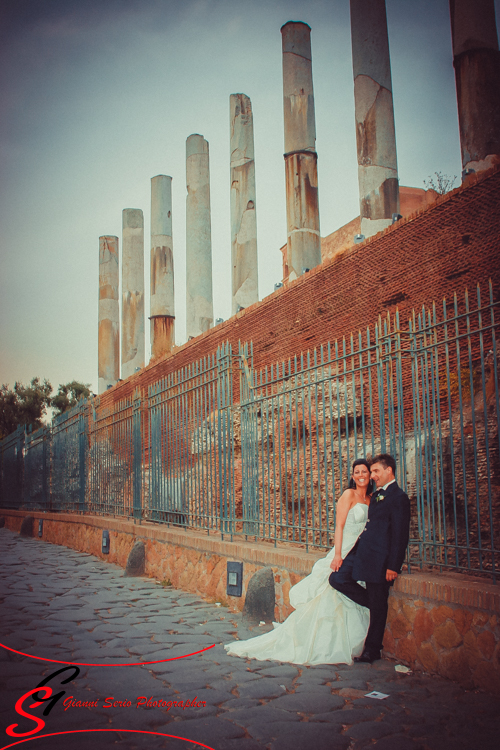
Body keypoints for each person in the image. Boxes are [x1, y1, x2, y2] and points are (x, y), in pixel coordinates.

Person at [224, 459, 373, 665]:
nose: (360, 475)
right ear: (353, 476)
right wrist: (338, 554)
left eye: (364, 471)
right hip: (344, 548)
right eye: (356, 472)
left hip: (360, 553)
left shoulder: (372, 499)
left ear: (370, 475)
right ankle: (323, 640)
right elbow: (339, 526)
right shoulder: (348, 495)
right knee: (330, 586)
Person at [329, 453, 411, 664]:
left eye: (375, 471)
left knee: (378, 599)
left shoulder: (399, 497)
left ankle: (372, 649)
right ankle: (375, 606)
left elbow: (400, 535)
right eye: (371, 471)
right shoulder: (376, 496)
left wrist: (394, 565)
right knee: (337, 578)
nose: (372, 475)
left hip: (381, 561)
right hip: (363, 553)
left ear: (388, 470)